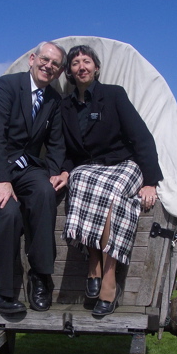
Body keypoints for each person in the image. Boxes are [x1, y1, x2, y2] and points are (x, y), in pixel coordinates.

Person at [0, 41, 68, 314]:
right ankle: (0, 292)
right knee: (7, 212)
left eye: (55, 64)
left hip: (26, 167)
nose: (48, 66)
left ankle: (40, 277)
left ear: (58, 72)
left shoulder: (54, 101)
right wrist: (1, 180)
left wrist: (55, 173)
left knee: (45, 192)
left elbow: (56, 144)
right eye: (45, 60)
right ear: (32, 59)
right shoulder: (6, 86)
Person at [60, 45, 163, 316]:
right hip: (90, 167)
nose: (81, 66)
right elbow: (69, 151)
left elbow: (142, 138)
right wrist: (64, 171)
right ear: (69, 71)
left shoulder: (113, 95)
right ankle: (92, 262)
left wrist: (150, 181)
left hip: (124, 164)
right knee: (78, 179)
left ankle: (108, 278)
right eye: (75, 63)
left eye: (87, 61)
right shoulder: (66, 106)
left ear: (96, 67)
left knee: (113, 192)